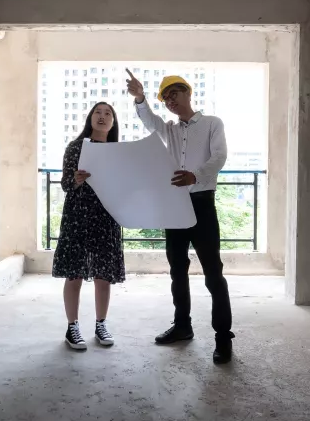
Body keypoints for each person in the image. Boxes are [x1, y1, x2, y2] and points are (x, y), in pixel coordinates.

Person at [126, 69, 234, 364]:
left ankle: (223, 337)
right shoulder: (169, 131)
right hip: (174, 206)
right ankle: (183, 326)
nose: (170, 100)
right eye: (165, 98)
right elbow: (149, 120)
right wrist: (140, 98)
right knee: (177, 270)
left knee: (213, 272)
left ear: (187, 92)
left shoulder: (212, 123)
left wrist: (194, 176)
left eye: (174, 93)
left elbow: (219, 157)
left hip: (201, 203)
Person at [52, 102, 126, 350]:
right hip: (78, 215)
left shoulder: (117, 152)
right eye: (98, 112)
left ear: (113, 122)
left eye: (108, 113)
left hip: (106, 217)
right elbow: (64, 185)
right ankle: (72, 326)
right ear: (90, 117)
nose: (102, 116)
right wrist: (75, 179)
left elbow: (125, 186)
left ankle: (101, 324)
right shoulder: (75, 147)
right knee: (74, 273)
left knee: (103, 275)